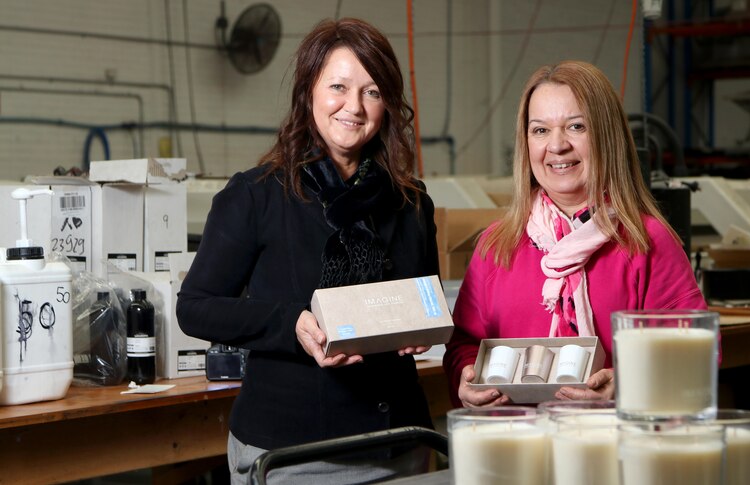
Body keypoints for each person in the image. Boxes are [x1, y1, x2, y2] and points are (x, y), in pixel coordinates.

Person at [176, 18, 439, 484]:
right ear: (309, 92)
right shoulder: (256, 196)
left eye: (372, 92)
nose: (353, 107)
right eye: (338, 86)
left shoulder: (411, 202)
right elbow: (195, 308)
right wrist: (290, 323)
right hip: (294, 455)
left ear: (387, 105)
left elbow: (420, 296)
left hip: (403, 445)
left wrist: (421, 326)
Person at [443, 60, 708, 408]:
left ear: (606, 137)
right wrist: (466, 378)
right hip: (519, 445)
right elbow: (463, 344)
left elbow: (698, 353)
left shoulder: (647, 242)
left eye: (576, 127)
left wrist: (630, 383)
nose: (556, 145)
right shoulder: (497, 245)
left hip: (614, 447)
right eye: (540, 130)